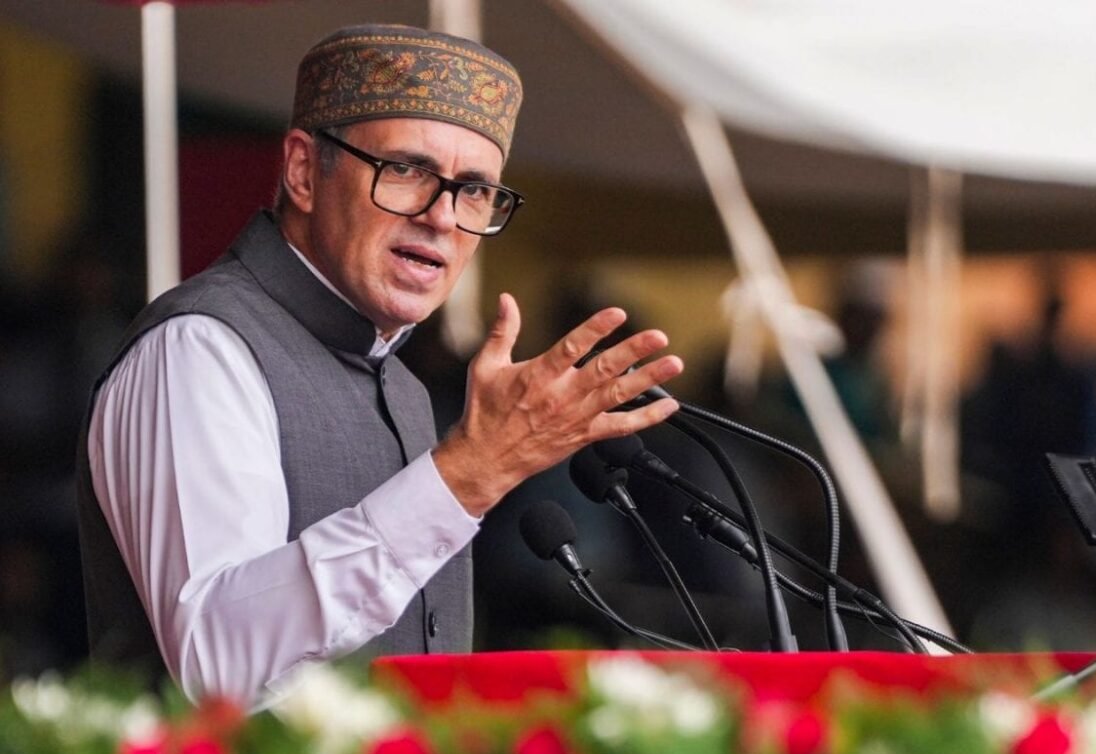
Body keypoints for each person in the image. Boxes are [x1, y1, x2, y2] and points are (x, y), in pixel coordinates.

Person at [77, 24, 683, 710]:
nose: (442, 218)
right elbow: (217, 668)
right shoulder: (200, 347)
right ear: (303, 172)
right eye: (406, 171)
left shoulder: (400, 384)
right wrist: (469, 474)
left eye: (475, 190)